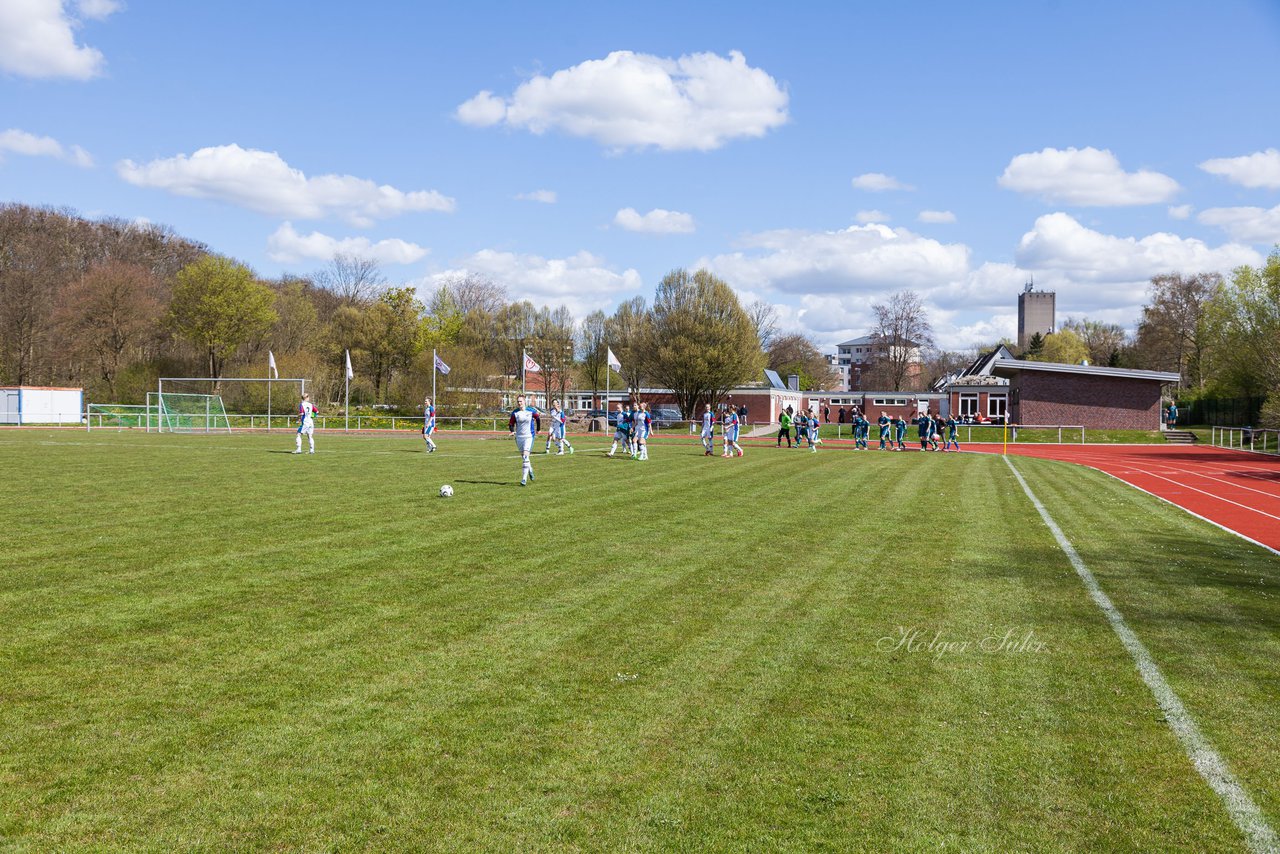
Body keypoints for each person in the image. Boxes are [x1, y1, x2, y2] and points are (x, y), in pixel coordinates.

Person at [508, 394, 540, 485]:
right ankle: (530, 470)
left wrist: (538, 429)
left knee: (526, 456)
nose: (519, 403)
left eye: (521, 401)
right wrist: (512, 431)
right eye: (518, 401)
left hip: (529, 436)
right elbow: (511, 423)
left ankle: (524, 479)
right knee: (524, 457)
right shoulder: (515, 412)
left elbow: (537, 418)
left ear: (524, 401)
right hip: (519, 437)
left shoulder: (531, 411)